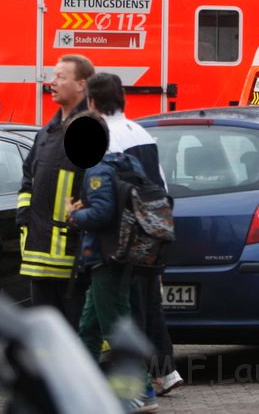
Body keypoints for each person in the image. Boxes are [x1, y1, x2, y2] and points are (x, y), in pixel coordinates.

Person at [83, 73, 183, 397]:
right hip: (149, 229)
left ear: (93, 102)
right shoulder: (141, 132)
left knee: (128, 307)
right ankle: (163, 373)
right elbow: (160, 185)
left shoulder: (104, 138)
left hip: (121, 235)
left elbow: (106, 197)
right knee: (147, 301)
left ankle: (140, 381)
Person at [16, 54, 95, 329]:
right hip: (38, 255)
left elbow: (100, 188)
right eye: (53, 76)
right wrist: (24, 218)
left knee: (78, 336)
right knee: (46, 338)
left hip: (72, 257)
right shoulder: (46, 132)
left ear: (81, 85)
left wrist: (80, 223)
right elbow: (28, 178)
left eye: (61, 77)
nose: (52, 82)